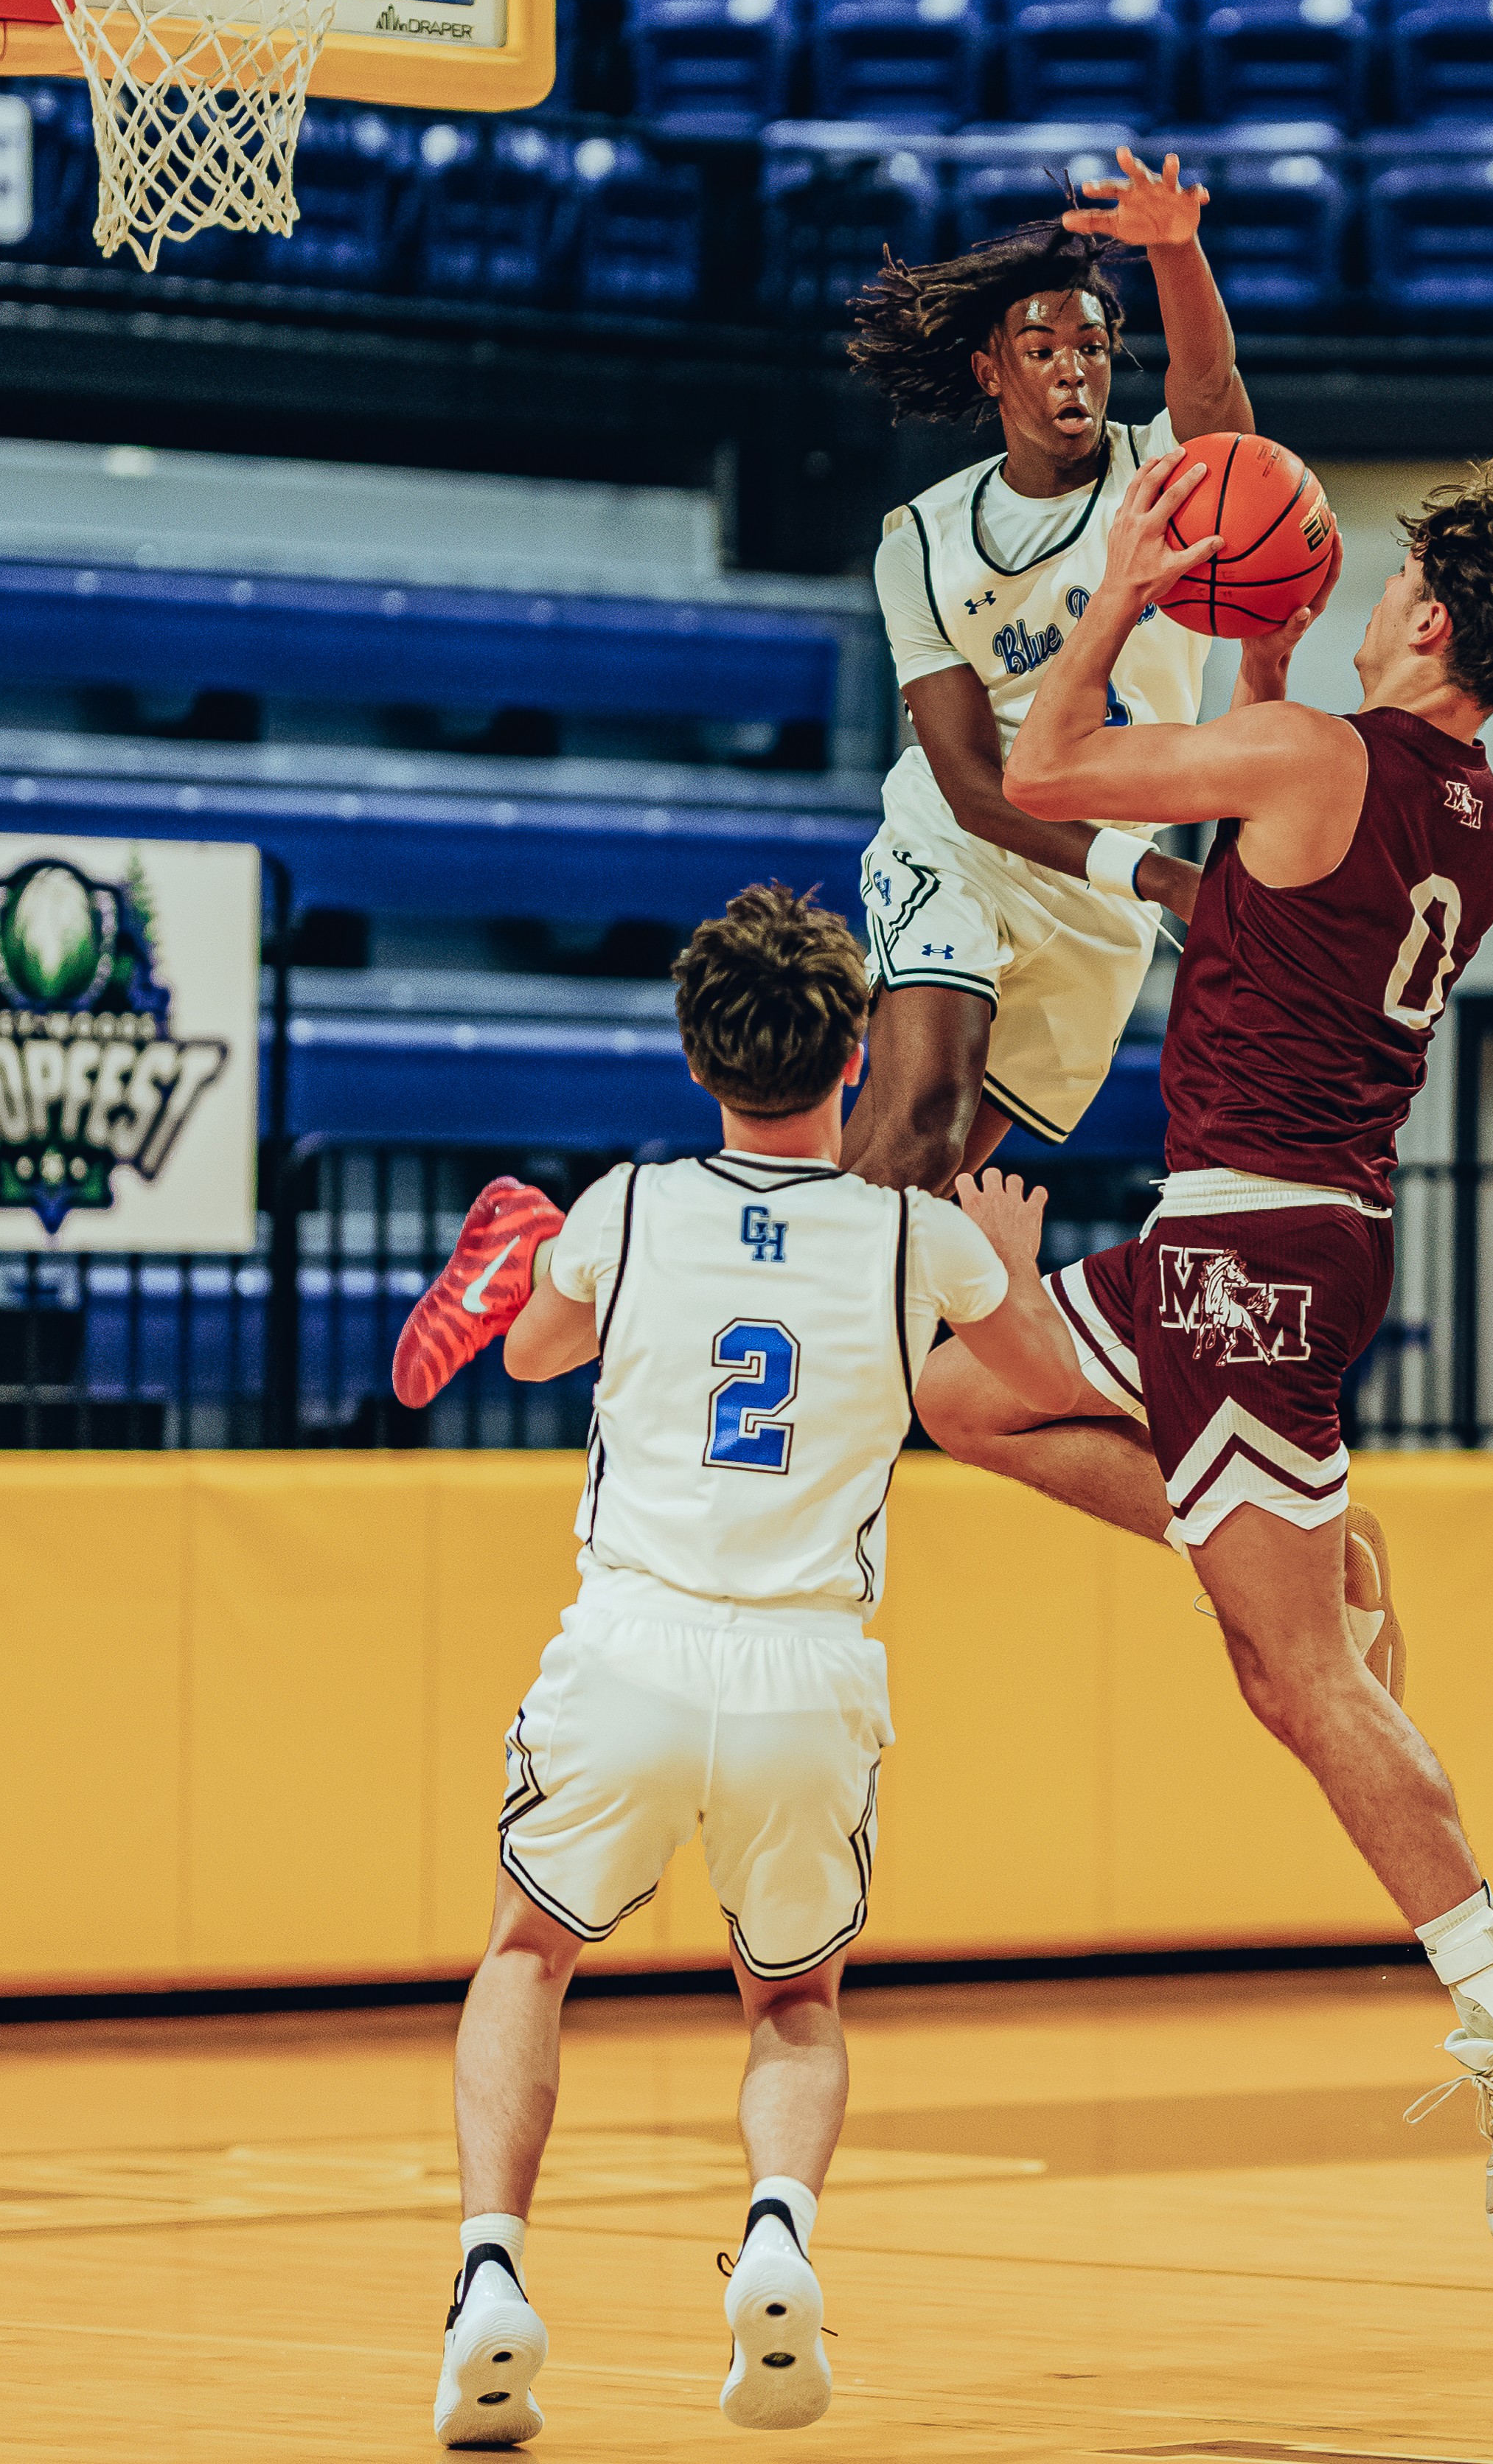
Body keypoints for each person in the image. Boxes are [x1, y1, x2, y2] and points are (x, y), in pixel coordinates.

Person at [921, 455, 1493, 2243]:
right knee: (958, 1384)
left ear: (1430, 615)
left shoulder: (1321, 760)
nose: (1374, 596)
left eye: (1393, 582)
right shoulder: (1484, 820)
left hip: (1242, 1249)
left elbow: (1045, 768)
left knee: (1299, 1679)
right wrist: (1262, 659)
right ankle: (1261, 1541)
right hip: (1281, 1236)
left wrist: (1128, 597)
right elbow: (1277, 866)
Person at [392, 885, 1070, 2446]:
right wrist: (1006, 1262)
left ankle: (491, 2275)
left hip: (630, 1643)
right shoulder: (916, 1234)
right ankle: (773, 2239)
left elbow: (529, 1357)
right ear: (852, 1056)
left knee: (523, 1956)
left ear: (699, 1057)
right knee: (794, 2003)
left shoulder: (625, 1207)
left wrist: (537, 1272)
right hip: (803, 1668)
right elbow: (1028, 1388)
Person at [841, 150, 1252, 1191]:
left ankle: (758, 1300)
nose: (1074, 367)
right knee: (920, 1122)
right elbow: (978, 790)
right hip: (969, 842)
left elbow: (1209, 391)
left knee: (917, 1187)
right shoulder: (921, 540)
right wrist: (1163, 875)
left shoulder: (1161, 478)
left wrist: (1176, 249)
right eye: (1041, 346)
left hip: (1101, 891)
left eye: (1094, 345)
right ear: (991, 370)